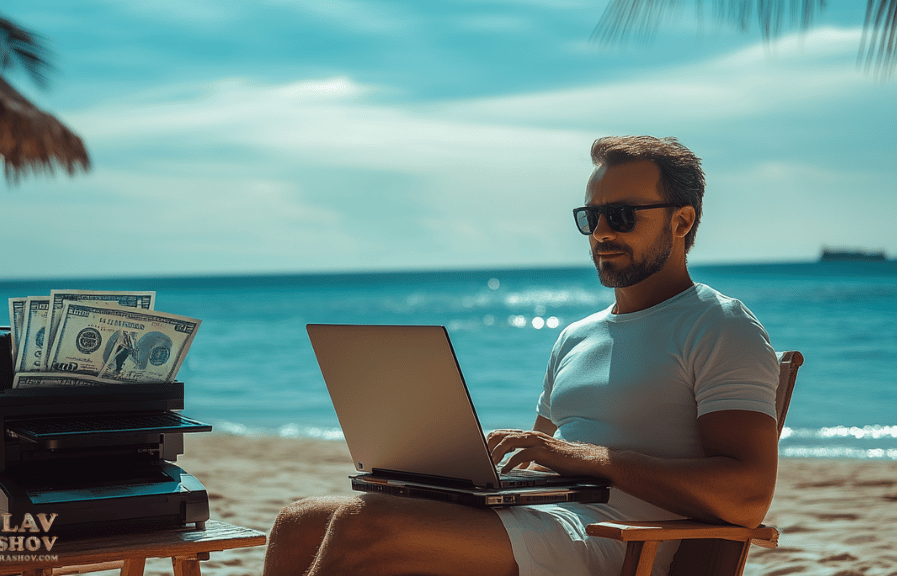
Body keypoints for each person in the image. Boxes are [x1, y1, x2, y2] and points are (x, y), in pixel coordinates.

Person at [261, 136, 780, 576]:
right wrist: (456, 477)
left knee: (363, 526)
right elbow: (538, 457)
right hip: (545, 519)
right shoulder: (577, 336)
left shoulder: (718, 326)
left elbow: (746, 495)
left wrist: (575, 456)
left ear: (682, 221)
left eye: (621, 216)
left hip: (621, 542)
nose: (601, 234)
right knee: (297, 521)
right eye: (591, 217)